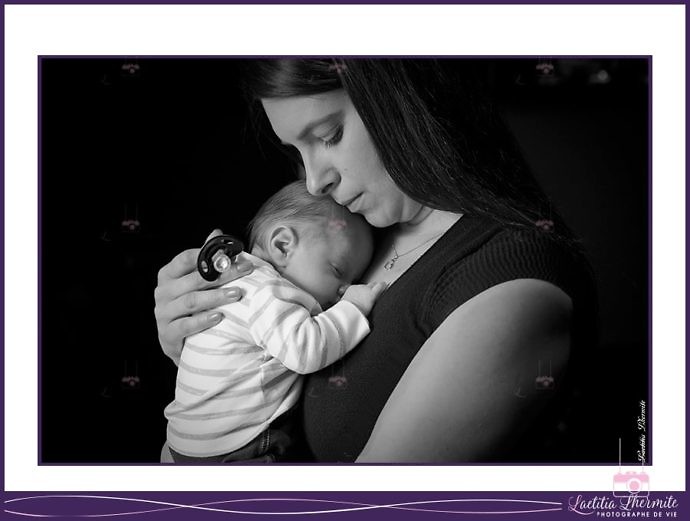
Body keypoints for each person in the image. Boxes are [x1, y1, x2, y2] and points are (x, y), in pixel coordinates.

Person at [155, 59, 597, 463]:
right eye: (297, 151)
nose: (313, 182)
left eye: (329, 136)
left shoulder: (507, 285)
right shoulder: (345, 238)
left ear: (400, 97)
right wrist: (207, 349)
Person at [165, 180, 385, 463]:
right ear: (283, 246)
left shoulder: (244, 279)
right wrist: (353, 307)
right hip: (233, 450)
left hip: (189, 444)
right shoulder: (267, 292)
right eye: (337, 269)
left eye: (351, 281)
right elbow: (305, 350)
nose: (343, 289)